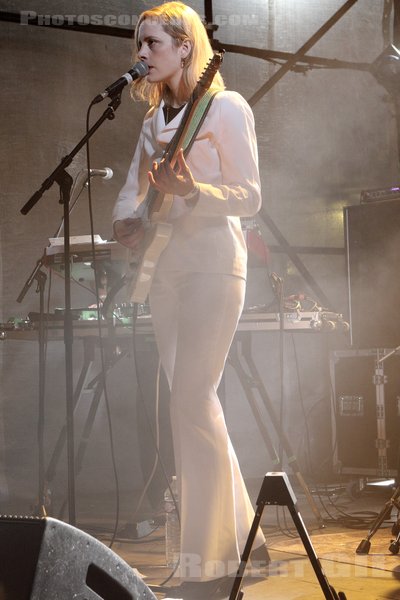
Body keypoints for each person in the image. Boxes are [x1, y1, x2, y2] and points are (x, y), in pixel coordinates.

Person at [112, 2, 267, 598]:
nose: (141, 54)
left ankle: (211, 566)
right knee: (194, 409)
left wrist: (193, 189)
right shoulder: (151, 127)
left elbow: (250, 195)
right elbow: (132, 197)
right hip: (165, 273)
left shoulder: (225, 107)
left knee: (191, 399)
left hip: (214, 268)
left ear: (185, 47)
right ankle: (238, 548)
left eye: (151, 43)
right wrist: (128, 225)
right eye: (139, 44)